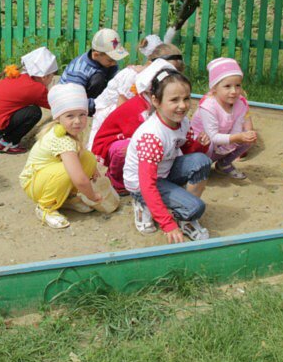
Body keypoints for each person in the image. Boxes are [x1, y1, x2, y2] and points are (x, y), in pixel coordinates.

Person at [123, 69, 212, 241]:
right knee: (196, 208)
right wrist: (167, 224)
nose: (182, 105)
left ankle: (185, 217)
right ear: (156, 101)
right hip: (143, 184)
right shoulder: (153, 136)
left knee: (202, 161)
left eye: (186, 98)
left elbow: (187, 152)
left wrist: (199, 146)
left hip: (164, 171)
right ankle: (142, 202)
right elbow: (147, 184)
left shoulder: (182, 121)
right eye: (174, 100)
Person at [20, 83, 120, 229]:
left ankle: (67, 198)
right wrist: (93, 196)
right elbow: (79, 179)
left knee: (88, 158)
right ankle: (45, 207)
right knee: (68, 172)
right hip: (34, 182)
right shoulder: (61, 139)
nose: (77, 121)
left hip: (46, 176)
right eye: (70, 116)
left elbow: (82, 155)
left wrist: (92, 169)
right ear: (58, 117)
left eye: (82, 114)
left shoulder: (67, 130)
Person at [90, 57, 182, 195]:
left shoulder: (156, 106)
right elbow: (135, 133)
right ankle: (117, 180)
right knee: (125, 149)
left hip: (136, 140)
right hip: (115, 141)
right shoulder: (139, 108)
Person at [87, 38, 182, 148]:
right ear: (150, 65)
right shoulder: (132, 76)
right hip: (110, 114)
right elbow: (120, 111)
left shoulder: (154, 80)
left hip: (133, 113)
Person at [0, 47, 57, 154]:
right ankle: (6, 143)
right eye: (52, 77)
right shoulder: (37, 89)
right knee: (34, 112)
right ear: (44, 77)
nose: (52, 80)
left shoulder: (18, 76)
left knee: (12, 106)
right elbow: (55, 105)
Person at [191, 57, 257, 179]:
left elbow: (237, 128)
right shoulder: (208, 106)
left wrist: (241, 137)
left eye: (238, 85)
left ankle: (224, 164)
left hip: (222, 141)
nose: (234, 91)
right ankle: (199, 167)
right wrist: (236, 138)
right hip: (201, 146)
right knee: (208, 142)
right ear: (214, 88)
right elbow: (212, 136)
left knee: (247, 137)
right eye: (227, 86)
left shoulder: (240, 103)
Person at [61, 27, 130, 116]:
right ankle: (90, 111)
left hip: (94, 99)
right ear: (96, 55)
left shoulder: (107, 63)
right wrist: (101, 103)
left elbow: (116, 80)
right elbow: (73, 98)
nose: (114, 63)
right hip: (71, 102)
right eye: (110, 60)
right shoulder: (79, 70)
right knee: (98, 77)